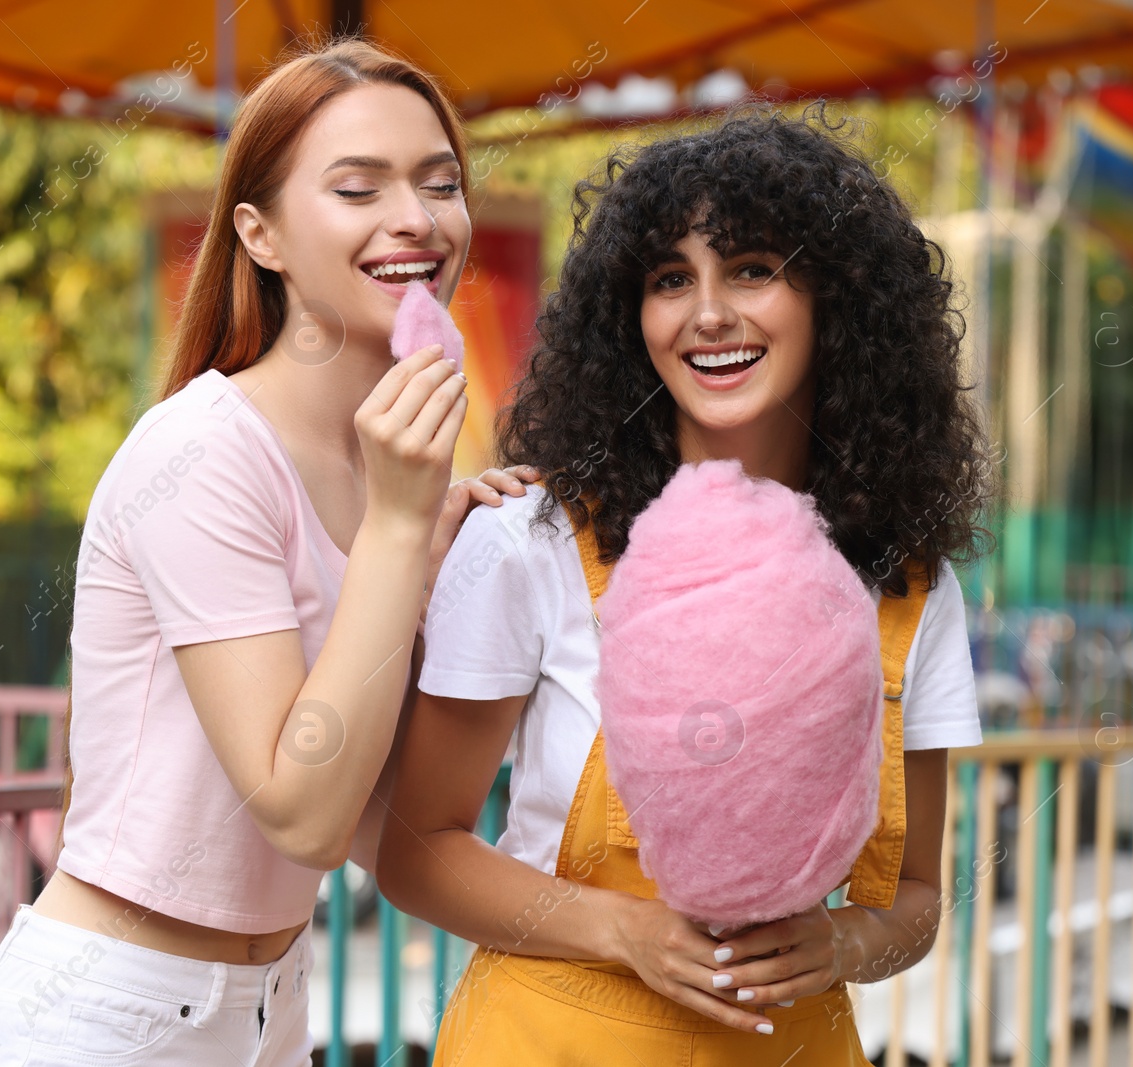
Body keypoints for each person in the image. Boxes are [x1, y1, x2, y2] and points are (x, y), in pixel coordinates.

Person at [0, 39, 536, 1067]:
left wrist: (460, 589)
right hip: (105, 1015)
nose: (417, 217)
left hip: (269, 1006)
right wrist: (399, 532)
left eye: (440, 184)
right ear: (258, 233)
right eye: (359, 187)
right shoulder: (203, 452)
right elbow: (300, 810)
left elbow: (368, 815)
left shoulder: (387, 468)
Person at [376, 103, 998, 1064]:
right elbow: (418, 851)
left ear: (839, 298)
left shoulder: (907, 587)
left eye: (751, 269)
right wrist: (622, 930)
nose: (708, 312)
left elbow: (914, 902)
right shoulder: (533, 542)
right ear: (632, 318)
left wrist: (843, 942)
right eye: (672, 279)